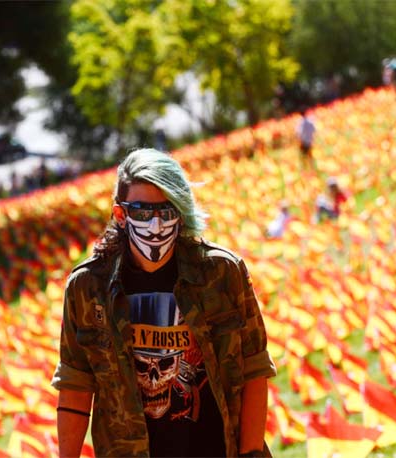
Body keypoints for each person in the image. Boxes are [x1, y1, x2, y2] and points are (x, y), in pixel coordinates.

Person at [52, 149, 277, 457]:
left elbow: (254, 368)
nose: (156, 226)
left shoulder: (222, 273)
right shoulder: (88, 288)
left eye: (167, 211)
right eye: (143, 212)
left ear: (181, 212)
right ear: (121, 215)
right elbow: (76, 385)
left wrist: (250, 453)